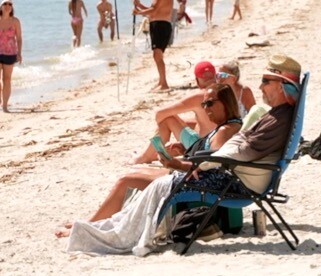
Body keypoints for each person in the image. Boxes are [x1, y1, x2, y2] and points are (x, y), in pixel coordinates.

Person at [64, 54, 303, 256]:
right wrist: (198, 160)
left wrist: (198, 163)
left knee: (162, 186)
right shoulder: (279, 115)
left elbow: (237, 150)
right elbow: (239, 148)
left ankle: (113, 234)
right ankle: (107, 227)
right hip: (234, 176)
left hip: (233, 182)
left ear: (281, 85)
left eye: (265, 81)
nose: (260, 86)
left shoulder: (279, 119)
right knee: (159, 184)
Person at [58, 84, 243, 246]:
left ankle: (88, 225)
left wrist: (176, 164)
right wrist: (184, 153)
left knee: (126, 180)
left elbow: (212, 165)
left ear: (225, 103)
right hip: (192, 176)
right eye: (204, 104)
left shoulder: (225, 131)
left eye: (210, 103)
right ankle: (96, 222)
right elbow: (210, 159)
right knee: (134, 173)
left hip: (192, 182)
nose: (206, 108)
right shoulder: (229, 126)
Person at [132, 60, 221, 164]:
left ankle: (144, 157)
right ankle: (155, 154)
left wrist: (163, 126)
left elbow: (159, 114)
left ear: (197, 81)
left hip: (203, 149)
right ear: (215, 76)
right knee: (187, 122)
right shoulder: (225, 91)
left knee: (167, 119)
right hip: (219, 144)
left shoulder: (200, 97)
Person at [132, 0, 173, 91]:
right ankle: (161, 81)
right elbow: (152, 10)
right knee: (157, 55)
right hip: (158, 24)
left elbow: (153, 11)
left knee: (157, 55)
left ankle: (164, 83)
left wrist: (138, 12)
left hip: (161, 25)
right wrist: (139, 5)